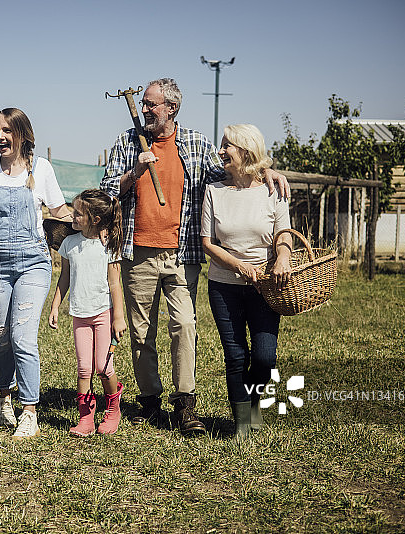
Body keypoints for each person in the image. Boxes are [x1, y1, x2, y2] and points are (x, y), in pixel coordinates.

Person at [100, 78, 288, 434]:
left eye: (151, 104)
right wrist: (135, 172)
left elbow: (233, 174)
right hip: (138, 251)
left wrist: (265, 170)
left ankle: (185, 404)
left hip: (181, 251)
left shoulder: (196, 144)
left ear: (171, 108)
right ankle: (151, 402)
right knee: (142, 332)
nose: (144, 110)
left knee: (184, 326)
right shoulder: (127, 142)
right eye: (142, 104)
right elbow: (107, 190)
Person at [0, 108, 71, 439]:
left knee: (22, 337)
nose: (0, 136)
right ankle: (4, 399)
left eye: (6, 131)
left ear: (22, 134)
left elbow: (59, 211)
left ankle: (30, 411)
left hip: (33, 264)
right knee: (1, 337)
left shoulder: (40, 169)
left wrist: (93, 221)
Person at [201, 124, 292, 439]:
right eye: (222, 145)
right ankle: (243, 424)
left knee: (265, 358)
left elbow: (283, 235)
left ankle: (252, 406)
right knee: (236, 354)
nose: (221, 150)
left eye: (228, 145)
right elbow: (208, 243)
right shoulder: (214, 191)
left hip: (265, 287)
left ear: (246, 151)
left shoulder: (273, 189)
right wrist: (238, 265)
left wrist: (282, 258)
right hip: (224, 286)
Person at [48, 189, 127, 437]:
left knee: (103, 367)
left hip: (103, 313)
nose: (73, 215)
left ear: (94, 219)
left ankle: (113, 409)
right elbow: (65, 277)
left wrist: (118, 317)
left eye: (78, 213)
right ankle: (86, 419)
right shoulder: (69, 244)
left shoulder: (109, 245)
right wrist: (55, 305)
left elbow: (115, 283)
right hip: (79, 314)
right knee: (84, 368)